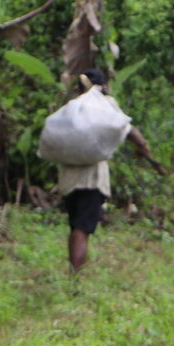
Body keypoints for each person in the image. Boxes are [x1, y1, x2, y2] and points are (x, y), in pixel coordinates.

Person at [58, 68, 155, 272]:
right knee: (81, 229)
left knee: (76, 226)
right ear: (101, 87)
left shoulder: (72, 106)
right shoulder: (103, 105)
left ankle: (73, 270)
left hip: (68, 178)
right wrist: (144, 149)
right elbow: (128, 129)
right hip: (91, 178)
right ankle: (75, 275)